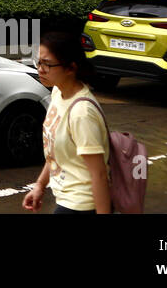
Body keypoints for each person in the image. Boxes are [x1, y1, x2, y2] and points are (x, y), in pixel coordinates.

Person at [23, 31, 112, 214]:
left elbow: (99, 174)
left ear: (71, 68)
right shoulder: (57, 93)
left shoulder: (81, 113)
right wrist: (40, 185)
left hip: (82, 204)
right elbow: (54, 149)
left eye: (47, 64)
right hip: (66, 198)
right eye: (39, 62)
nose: (40, 69)